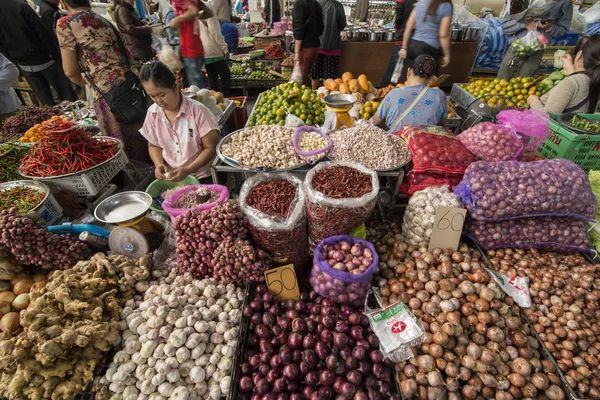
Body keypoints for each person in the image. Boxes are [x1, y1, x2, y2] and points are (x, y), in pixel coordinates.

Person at [57, 0, 150, 163]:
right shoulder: (101, 18)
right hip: (130, 84)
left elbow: (70, 71)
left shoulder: (66, 23)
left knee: (124, 148)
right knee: (142, 137)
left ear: (64, 3)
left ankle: (140, 180)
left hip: (108, 94)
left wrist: (88, 85)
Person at [138, 61, 219, 188]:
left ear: (175, 85)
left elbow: (210, 148)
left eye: (161, 95)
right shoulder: (153, 113)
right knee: (140, 192)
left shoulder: (198, 111)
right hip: (170, 173)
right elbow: (154, 145)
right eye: (152, 96)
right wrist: (159, 164)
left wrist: (188, 170)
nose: (158, 101)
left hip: (199, 173)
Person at [0, 0, 77, 106]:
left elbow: (2, 46)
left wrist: (15, 62)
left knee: (47, 104)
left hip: (23, 63)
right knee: (68, 97)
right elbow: (41, 31)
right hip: (44, 59)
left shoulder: (19, 5)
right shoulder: (20, 5)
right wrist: (55, 55)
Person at [498, 0, 573, 79]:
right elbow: (505, 27)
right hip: (516, 48)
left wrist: (550, 27)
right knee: (502, 81)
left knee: (525, 83)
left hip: (537, 50)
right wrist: (524, 24)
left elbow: (563, 29)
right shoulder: (519, 3)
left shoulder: (565, 2)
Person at [373, 55, 447, 135]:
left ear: (409, 71)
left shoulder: (394, 94)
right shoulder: (440, 96)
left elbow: (375, 121)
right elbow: (442, 125)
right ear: (432, 78)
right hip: (424, 145)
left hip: (395, 144)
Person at [528, 35, 600, 113]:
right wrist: (570, 69)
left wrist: (533, 102)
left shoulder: (571, 82)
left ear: (579, 54)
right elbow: (579, 85)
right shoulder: (595, 79)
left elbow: (549, 118)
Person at [399, 0, 452, 74]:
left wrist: (404, 47)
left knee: (410, 78)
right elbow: (443, 35)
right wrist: (447, 55)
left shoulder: (421, 3)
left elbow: (408, 26)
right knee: (428, 81)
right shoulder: (446, 6)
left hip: (413, 47)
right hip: (429, 50)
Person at [169, 0, 213, 88]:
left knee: (196, 86)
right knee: (198, 83)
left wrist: (176, 19)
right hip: (197, 48)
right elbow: (209, 13)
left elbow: (193, 11)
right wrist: (193, 17)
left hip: (189, 48)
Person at [310, 0, 346, 89]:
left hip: (315, 46)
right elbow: (342, 25)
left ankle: (315, 96)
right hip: (332, 47)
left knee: (315, 76)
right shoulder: (337, 5)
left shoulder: (312, 4)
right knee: (330, 79)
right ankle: (327, 100)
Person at [381, 0, 416, 87]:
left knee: (393, 69)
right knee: (408, 71)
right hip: (415, 40)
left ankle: (383, 91)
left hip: (402, 38)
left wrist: (398, 31)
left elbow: (399, 18)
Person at [199, 2, 231, 96]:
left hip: (204, 49)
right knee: (225, 75)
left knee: (212, 78)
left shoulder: (195, 7)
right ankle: (225, 99)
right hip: (214, 48)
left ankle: (215, 101)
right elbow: (214, 30)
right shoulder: (207, 6)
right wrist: (224, 48)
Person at [293, 0, 324, 87]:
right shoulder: (316, 4)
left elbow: (299, 30)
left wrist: (296, 52)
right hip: (315, 47)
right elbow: (321, 29)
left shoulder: (300, 4)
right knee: (305, 78)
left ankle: (303, 99)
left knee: (299, 82)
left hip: (304, 49)